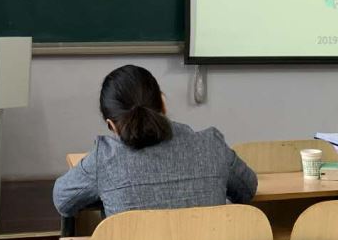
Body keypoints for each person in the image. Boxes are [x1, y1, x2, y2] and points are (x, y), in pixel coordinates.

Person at [53, 64, 257, 217]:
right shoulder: (211, 145)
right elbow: (248, 189)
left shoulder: (103, 160)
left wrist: (108, 195)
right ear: (163, 104)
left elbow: (63, 201)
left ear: (111, 125)